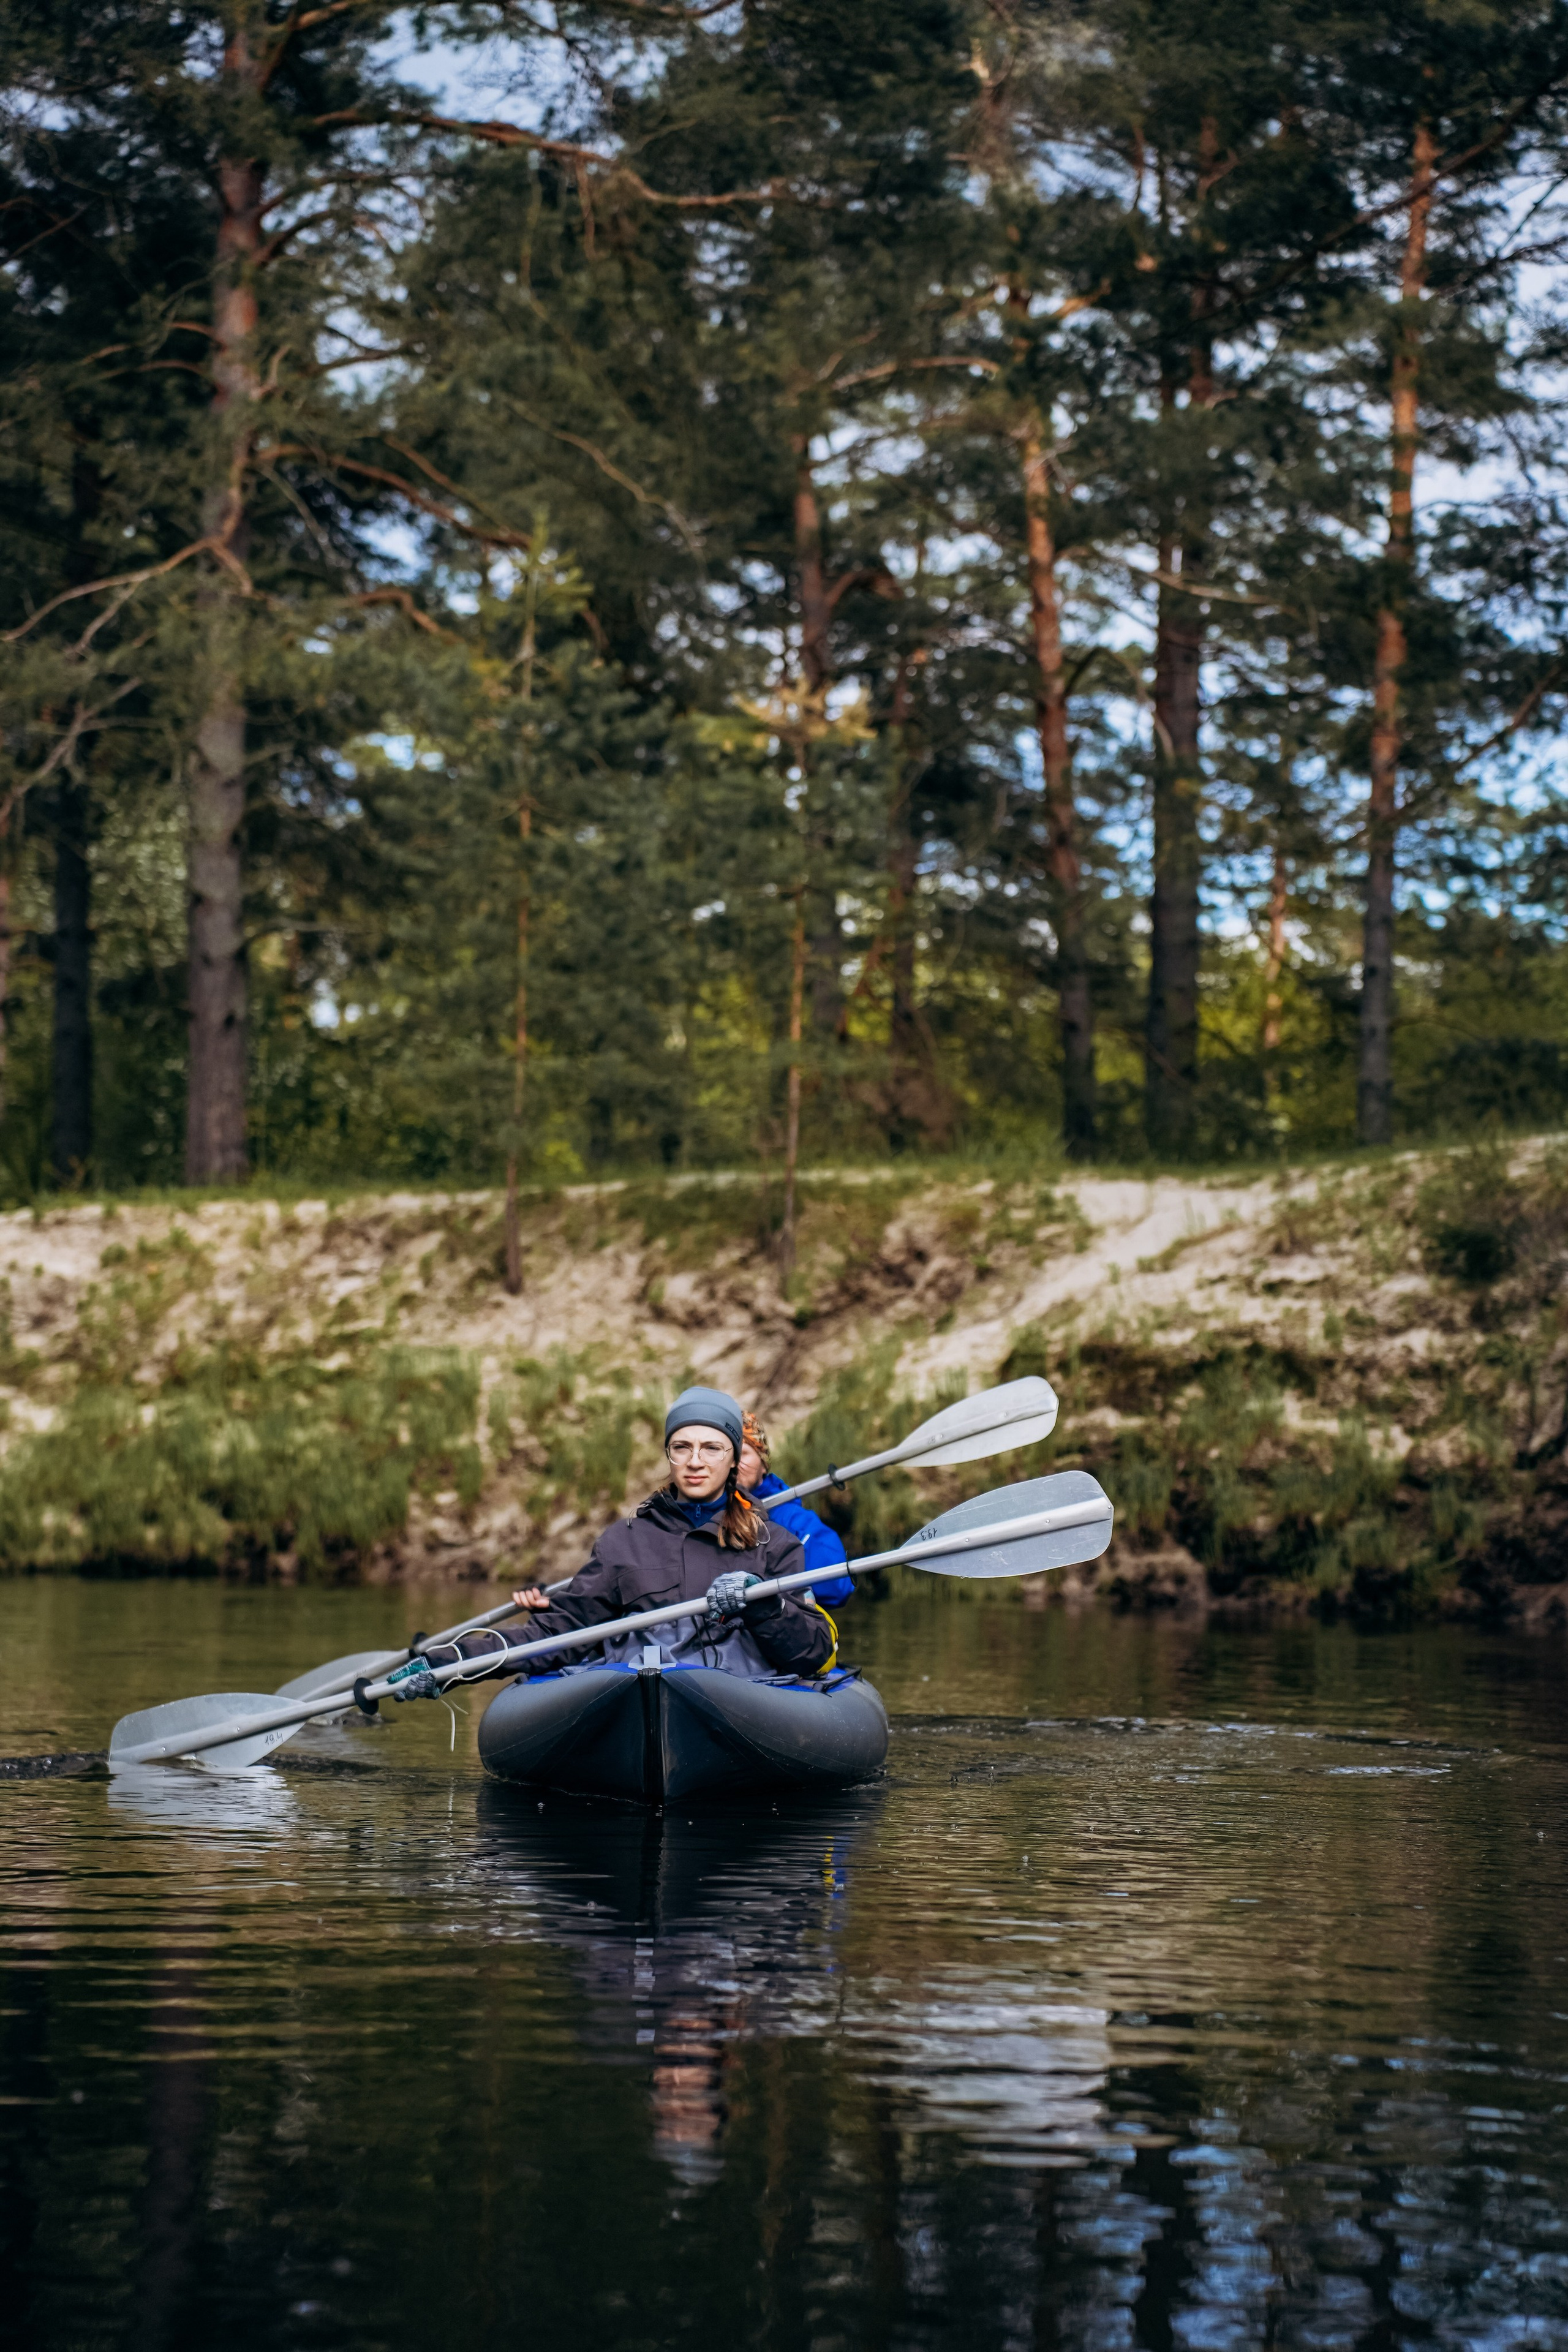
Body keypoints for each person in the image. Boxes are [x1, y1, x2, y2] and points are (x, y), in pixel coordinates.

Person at [391, 1385, 836, 1695]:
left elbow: (812, 1652)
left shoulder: (774, 1544)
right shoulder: (623, 1542)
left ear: (734, 1460)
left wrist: (764, 1606)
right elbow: (555, 1634)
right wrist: (448, 1664)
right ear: (669, 1455)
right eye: (682, 1447)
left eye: (711, 1448)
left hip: (744, 1700)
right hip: (637, 1693)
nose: (695, 1462)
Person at [737, 1411, 854, 1609]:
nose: (734, 1463)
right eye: (726, 1453)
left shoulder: (791, 1519)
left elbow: (837, 1589)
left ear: (763, 1464)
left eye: (743, 1453)